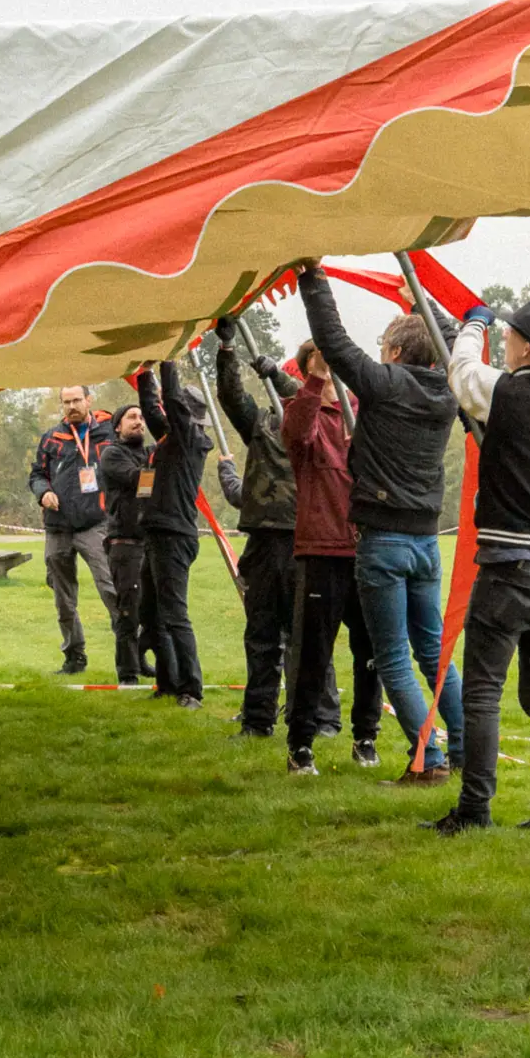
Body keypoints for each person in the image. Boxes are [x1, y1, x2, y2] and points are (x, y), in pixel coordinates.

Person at [422, 294, 530, 836]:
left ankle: (474, 810)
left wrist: (472, 324)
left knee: (483, 692)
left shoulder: (509, 393)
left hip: (507, 567)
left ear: (527, 346)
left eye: (513, 334)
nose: (508, 340)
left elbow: (463, 371)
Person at [296, 263, 463, 782]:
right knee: (433, 650)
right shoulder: (448, 392)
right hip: (425, 539)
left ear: (393, 354)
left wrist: (312, 277)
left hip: (383, 539)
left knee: (393, 657)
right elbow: (450, 336)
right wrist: (417, 304)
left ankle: (427, 759)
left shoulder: (385, 384)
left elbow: (332, 340)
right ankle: (464, 751)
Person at [281, 339, 383, 773]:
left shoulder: (363, 414)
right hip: (321, 548)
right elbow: (294, 435)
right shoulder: (303, 412)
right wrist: (317, 376)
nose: (330, 376)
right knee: (313, 654)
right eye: (320, 368)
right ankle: (301, 743)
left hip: (366, 549)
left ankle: (365, 737)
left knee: (372, 651)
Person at [211, 318, 302, 737]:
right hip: (265, 539)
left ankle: (316, 719)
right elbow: (231, 397)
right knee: (261, 634)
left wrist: (282, 380)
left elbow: (317, 404)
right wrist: (227, 350)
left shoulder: (328, 418)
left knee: (306, 638)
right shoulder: (264, 424)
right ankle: (258, 719)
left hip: (308, 540)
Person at [134, 360, 214, 709]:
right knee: (153, 614)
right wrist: (143, 371)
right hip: (157, 534)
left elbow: (173, 404)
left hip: (174, 537)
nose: (166, 413)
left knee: (175, 615)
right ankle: (167, 684)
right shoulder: (170, 439)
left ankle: (191, 690)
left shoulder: (190, 440)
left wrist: (168, 361)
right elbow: (153, 408)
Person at [27, 384, 121, 674]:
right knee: (63, 598)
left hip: (95, 523)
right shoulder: (52, 438)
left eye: (77, 400)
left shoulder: (109, 433)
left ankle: (131, 654)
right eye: (66, 402)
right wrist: (43, 492)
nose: (72, 406)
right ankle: (74, 656)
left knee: (111, 589)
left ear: (89, 400)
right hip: (58, 527)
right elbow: (37, 474)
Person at [97, 403, 157, 685]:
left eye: (142, 418)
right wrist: (162, 466)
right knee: (128, 610)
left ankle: (142, 659)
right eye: (132, 417)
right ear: (118, 425)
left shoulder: (146, 454)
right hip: (125, 545)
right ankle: (127, 673)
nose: (139, 422)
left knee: (152, 609)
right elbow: (140, 480)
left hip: (150, 542)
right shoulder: (112, 454)